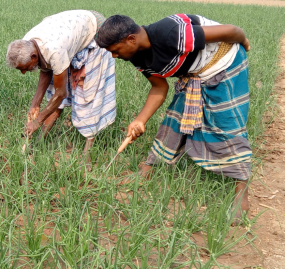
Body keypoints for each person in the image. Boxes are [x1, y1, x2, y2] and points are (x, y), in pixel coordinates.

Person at [95, 14, 251, 221]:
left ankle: (241, 189)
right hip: (195, 72)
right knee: (176, 117)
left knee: (226, 124)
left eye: (115, 50)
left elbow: (231, 30)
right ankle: (147, 169)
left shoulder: (171, 34)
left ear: (131, 39)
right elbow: (159, 87)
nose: (114, 56)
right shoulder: (136, 56)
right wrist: (140, 119)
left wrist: (245, 42)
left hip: (225, 61)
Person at [5, 10, 116, 160]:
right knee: (53, 95)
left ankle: (87, 154)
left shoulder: (54, 50)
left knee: (87, 94)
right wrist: (35, 104)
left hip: (95, 33)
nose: (24, 73)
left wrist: (37, 121)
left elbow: (60, 93)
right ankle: (38, 143)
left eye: (24, 68)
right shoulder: (27, 43)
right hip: (69, 37)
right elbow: (45, 69)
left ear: (33, 56)